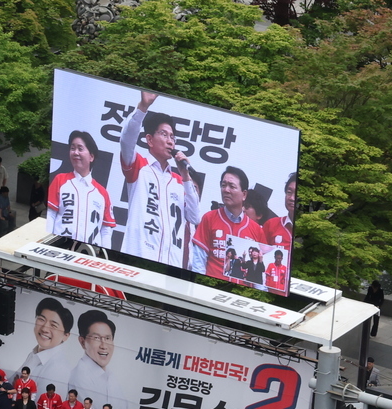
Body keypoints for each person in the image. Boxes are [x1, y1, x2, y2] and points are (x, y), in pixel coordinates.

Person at [118, 91, 199, 266]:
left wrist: (186, 176)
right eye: (164, 134)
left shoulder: (179, 181)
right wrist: (143, 107)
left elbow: (194, 217)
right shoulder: (139, 166)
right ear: (149, 139)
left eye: (172, 137)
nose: (170, 141)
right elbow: (126, 140)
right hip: (138, 257)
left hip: (169, 263)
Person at [189, 166, 266, 279]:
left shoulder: (256, 229)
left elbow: (260, 271)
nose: (226, 190)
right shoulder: (209, 218)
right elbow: (199, 260)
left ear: (244, 194)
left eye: (232, 186)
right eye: (223, 185)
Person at [47, 131, 116, 246]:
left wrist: (104, 256)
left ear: (91, 156)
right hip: (60, 246)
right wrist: (47, 242)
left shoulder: (102, 193)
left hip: (88, 252)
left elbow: (106, 230)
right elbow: (51, 214)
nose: (75, 152)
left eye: (80, 148)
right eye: (72, 148)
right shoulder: (60, 180)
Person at [68, 310, 131, 409]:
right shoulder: (80, 376)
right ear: (82, 342)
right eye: (96, 338)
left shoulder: (109, 374)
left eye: (107, 338)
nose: (103, 345)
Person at [23, 298, 77, 390]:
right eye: (41, 319)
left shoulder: (58, 369)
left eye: (53, 325)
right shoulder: (34, 354)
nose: (44, 328)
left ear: (66, 335)